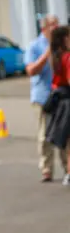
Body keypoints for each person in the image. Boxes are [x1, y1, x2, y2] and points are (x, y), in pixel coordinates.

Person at [24, 14, 67, 182]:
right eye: (52, 25)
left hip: (62, 95)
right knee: (45, 135)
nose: (56, 28)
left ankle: (67, 168)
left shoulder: (64, 46)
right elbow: (31, 70)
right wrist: (48, 51)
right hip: (43, 97)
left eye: (57, 24)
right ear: (44, 28)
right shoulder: (35, 46)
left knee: (64, 134)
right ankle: (47, 169)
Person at [46, 26, 70, 186]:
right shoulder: (67, 57)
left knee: (68, 141)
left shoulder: (55, 57)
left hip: (60, 102)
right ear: (64, 39)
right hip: (67, 100)